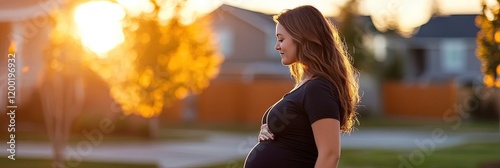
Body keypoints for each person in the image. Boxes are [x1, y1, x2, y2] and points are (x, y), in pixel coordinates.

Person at [243, 5, 360, 168]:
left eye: (281, 39)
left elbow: (330, 154)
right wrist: (268, 133)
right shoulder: (306, 85)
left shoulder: (319, 89)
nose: (277, 46)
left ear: (301, 38)